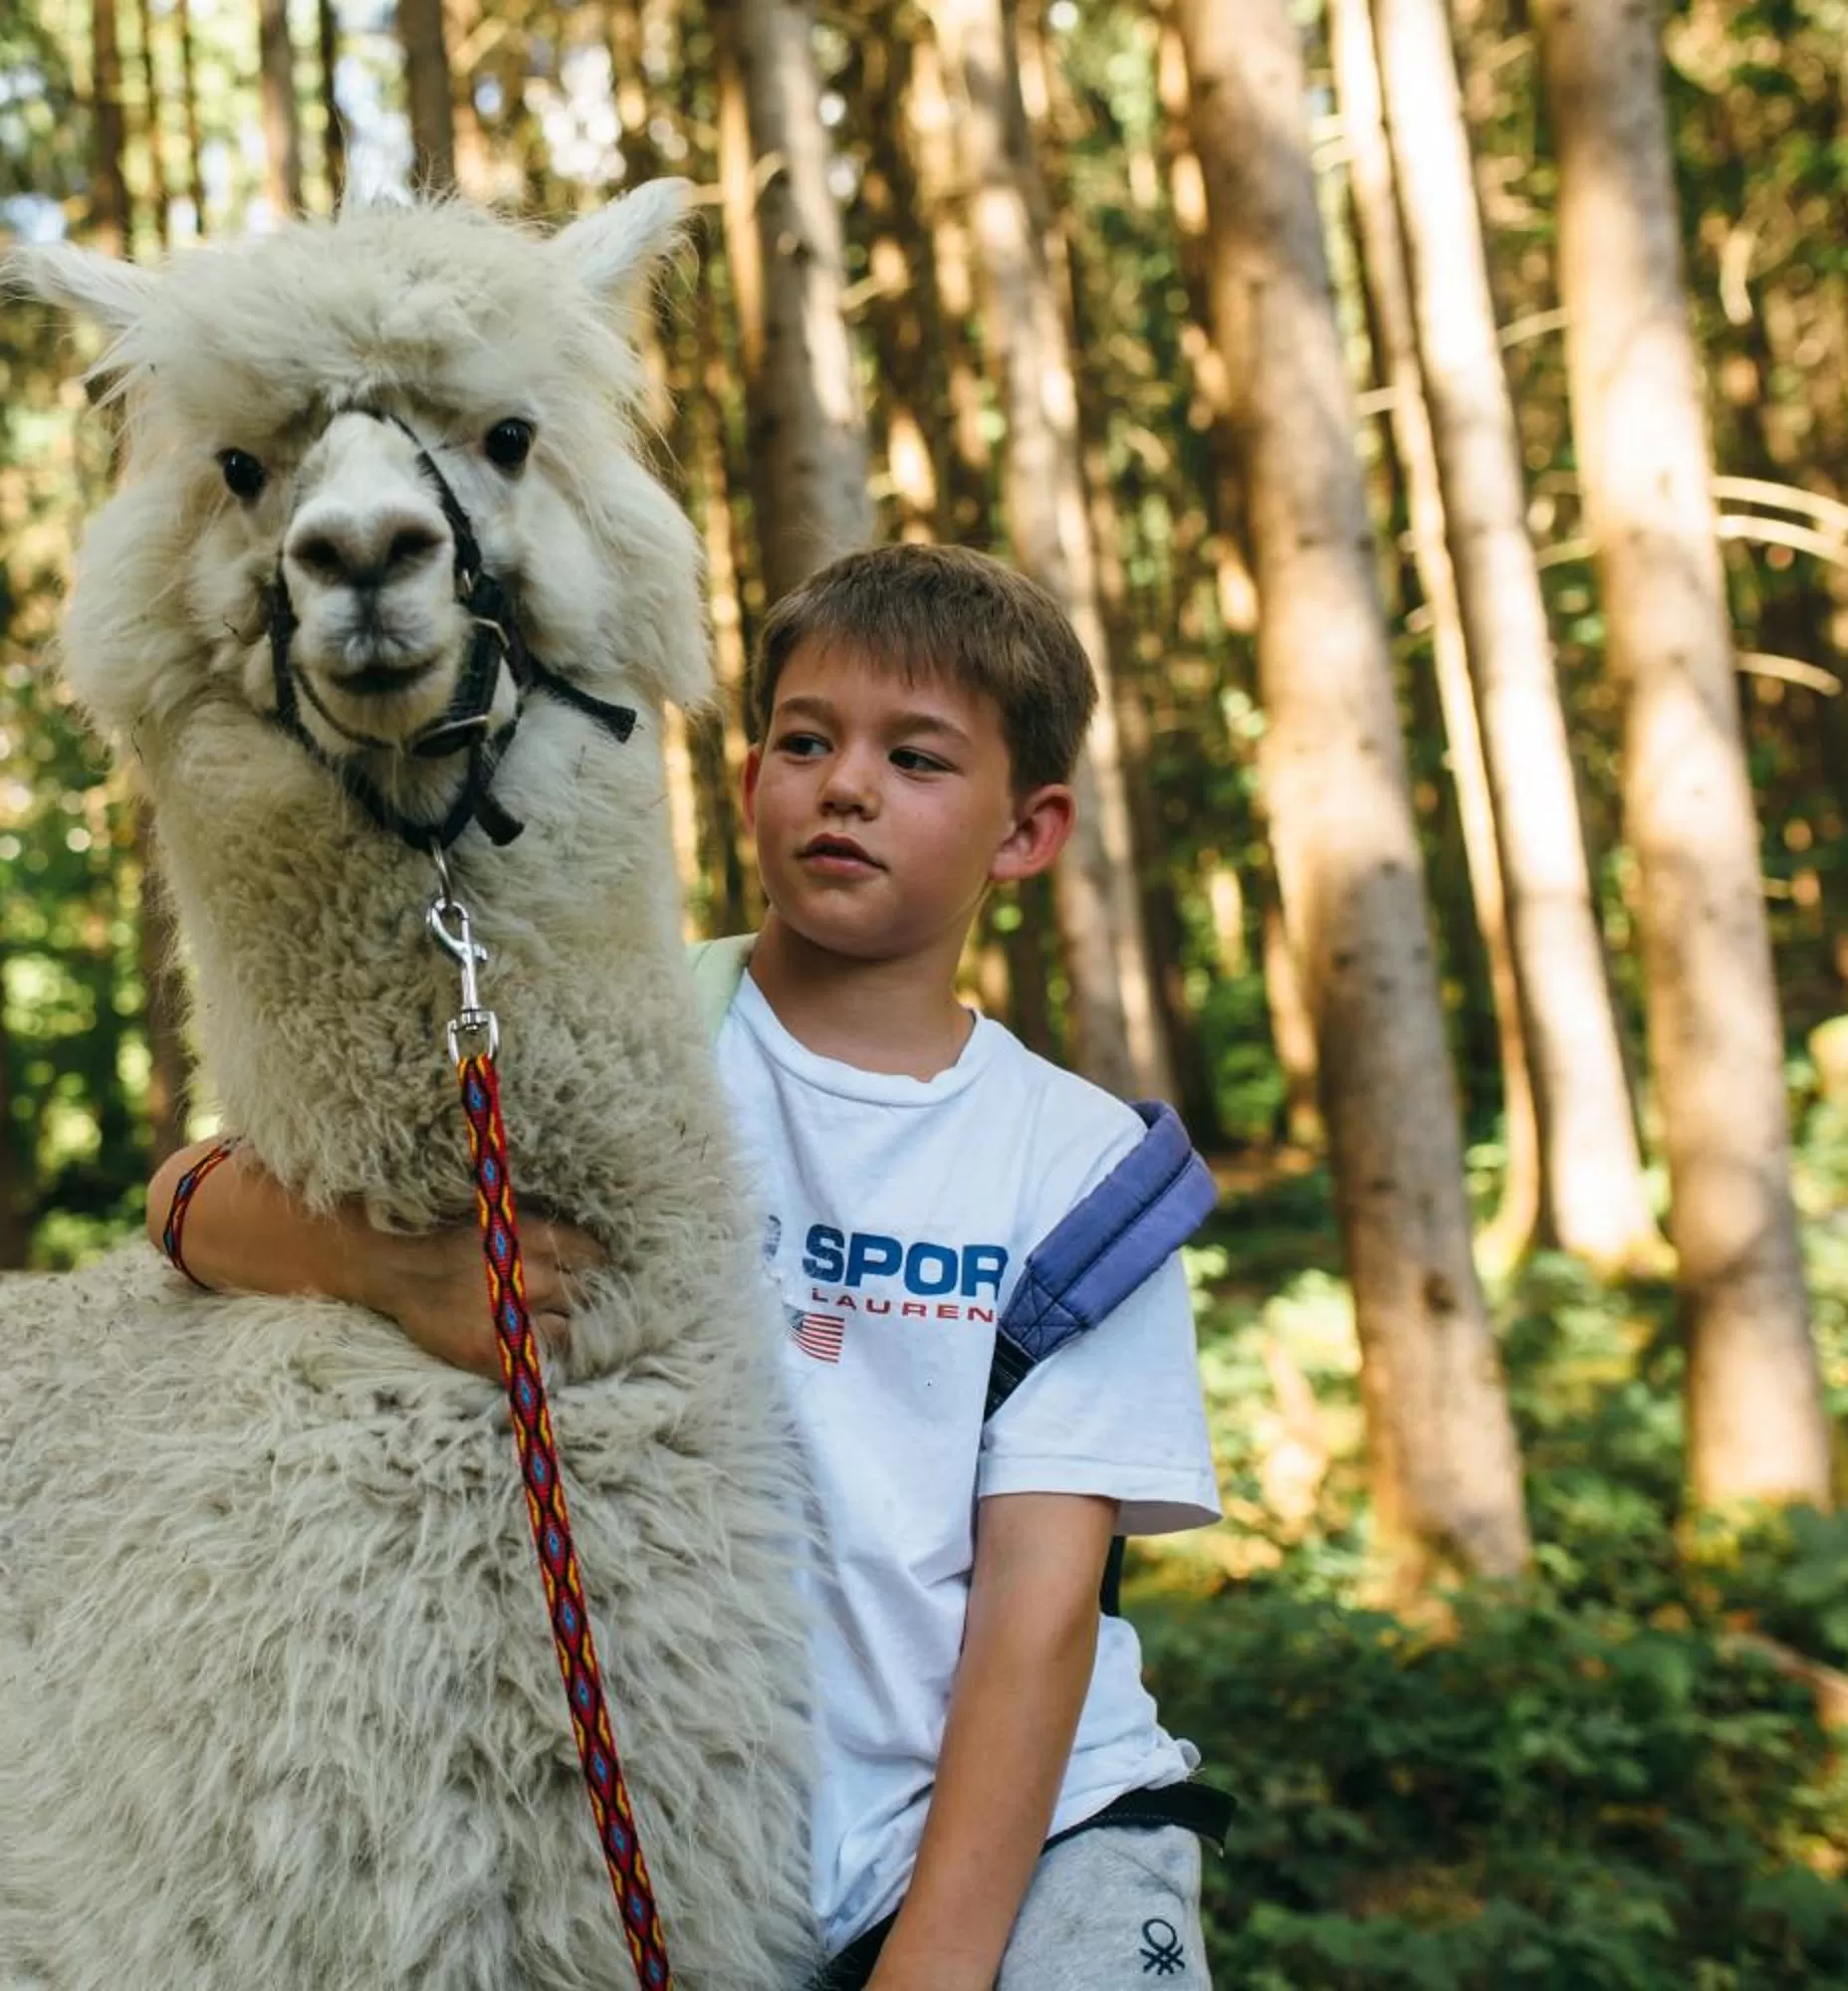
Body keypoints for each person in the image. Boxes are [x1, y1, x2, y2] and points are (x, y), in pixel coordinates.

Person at [146, 543, 1226, 1989]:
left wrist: (930, 1970)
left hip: (1033, 1840)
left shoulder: (1084, 1173)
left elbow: (1042, 1611)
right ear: (746, 783)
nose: (845, 786)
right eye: (804, 741)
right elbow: (189, 1200)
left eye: (916, 760)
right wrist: (400, 1273)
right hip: (681, 1843)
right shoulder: (617, 1046)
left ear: (1026, 833)